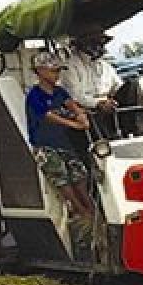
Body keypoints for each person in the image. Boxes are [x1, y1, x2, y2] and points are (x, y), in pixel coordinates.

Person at [25, 51, 95, 222]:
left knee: (79, 173)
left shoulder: (60, 92)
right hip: (44, 145)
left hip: (63, 142)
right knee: (61, 177)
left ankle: (90, 207)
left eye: (58, 71)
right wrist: (75, 124)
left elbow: (72, 105)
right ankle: (80, 210)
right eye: (53, 71)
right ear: (40, 71)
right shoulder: (34, 95)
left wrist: (81, 116)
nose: (57, 75)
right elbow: (49, 116)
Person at [60, 31, 143, 139]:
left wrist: (142, 98)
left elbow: (119, 89)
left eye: (101, 43)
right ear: (82, 44)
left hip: (111, 111)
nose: (100, 46)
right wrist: (98, 103)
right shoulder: (70, 66)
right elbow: (74, 95)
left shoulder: (105, 66)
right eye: (95, 42)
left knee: (132, 84)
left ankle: (140, 130)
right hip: (90, 113)